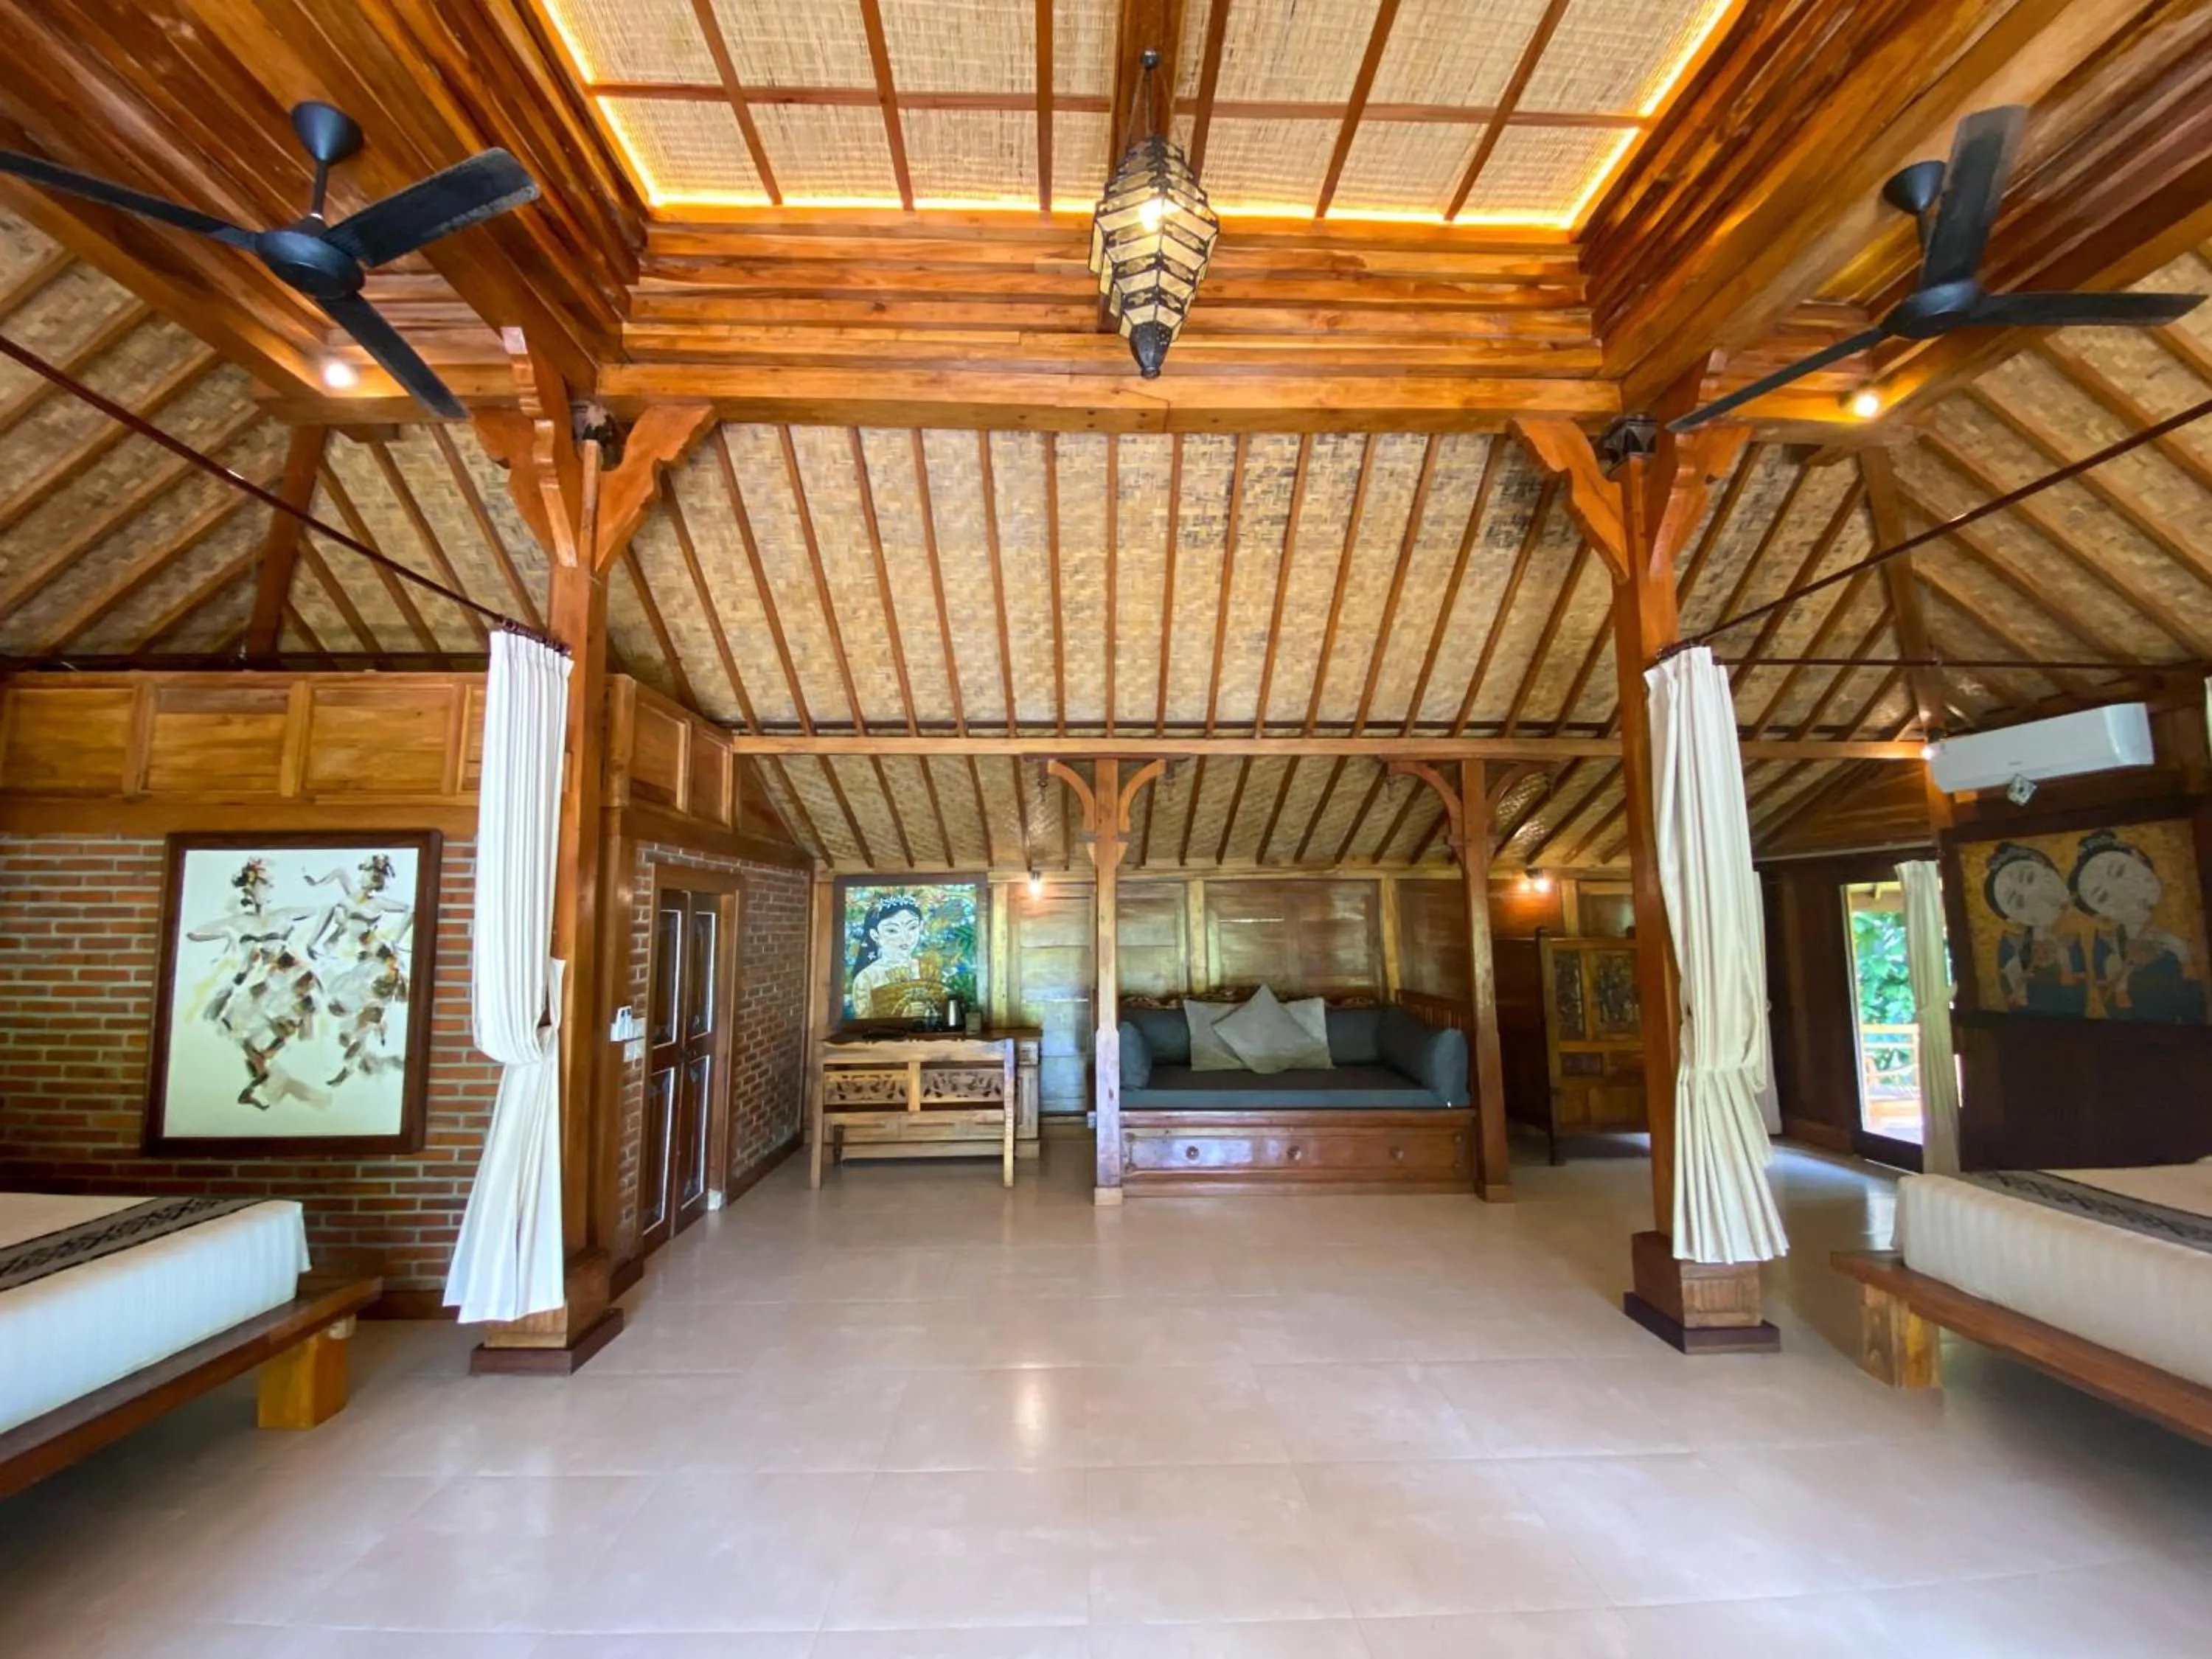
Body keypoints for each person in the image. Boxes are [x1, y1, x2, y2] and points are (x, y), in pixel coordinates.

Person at [2070, 830, 2206, 1023]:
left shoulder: (2171, 913)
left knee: (2176, 945)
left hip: (2171, 986)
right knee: (2117, 963)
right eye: (2101, 896)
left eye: (2119, 872)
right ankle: (2121, 990)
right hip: (2137, 966)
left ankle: (2185, 965)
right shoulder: (2111, 935)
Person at [1982, 841, 2085, 1017]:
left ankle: (2066, 973)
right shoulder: (2025, 930)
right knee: (2012, 967)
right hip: (2034, 944)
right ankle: (2021, 995)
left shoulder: (2058, 904)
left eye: (2029, 879)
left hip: (2053, 940)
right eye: (2018, 901)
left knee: (2062, 953)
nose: (2029, 896)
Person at [849, 894, 947, 1021]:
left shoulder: (929, 971)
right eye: (892, 931)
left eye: (912, 927)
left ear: (921, 926)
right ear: (875, 935)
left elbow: (942, 1012)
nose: (905, 938)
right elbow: (864, 1023)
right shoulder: (866, 978)